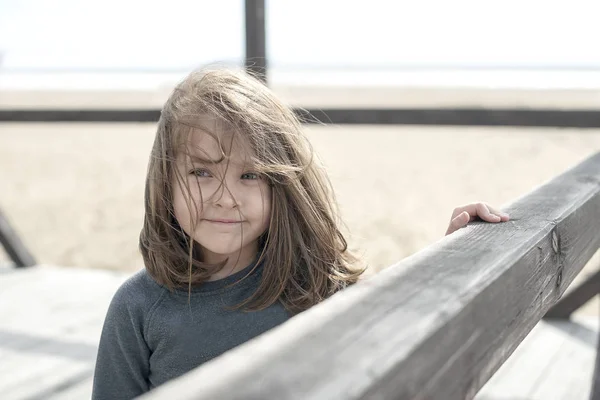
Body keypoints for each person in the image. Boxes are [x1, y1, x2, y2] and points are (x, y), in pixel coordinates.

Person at [91, 68, 510, 399]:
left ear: (283, 187)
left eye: (249, 174)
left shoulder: (318, 289)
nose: (224, 197)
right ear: (165, 179)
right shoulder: (138, 307)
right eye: (201, 171)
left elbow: (404, 351)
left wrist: (452, 256)